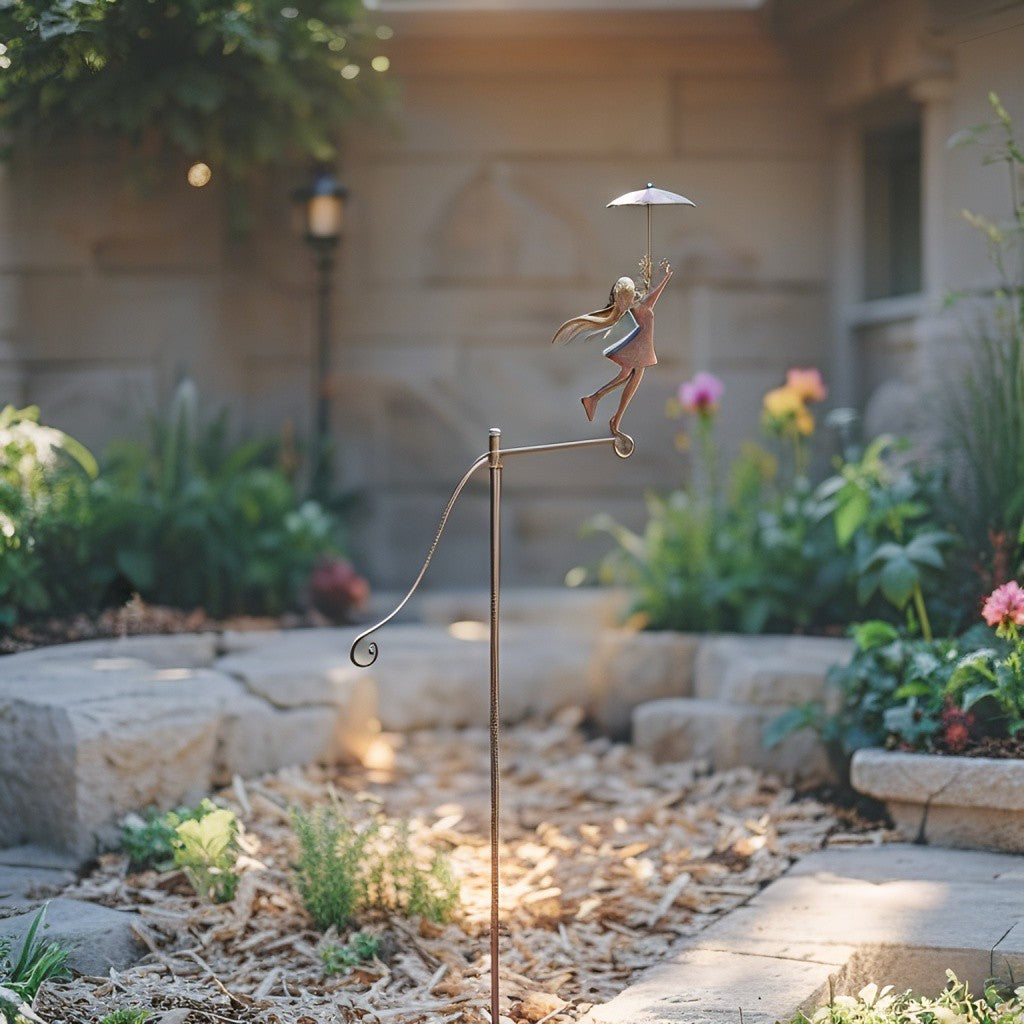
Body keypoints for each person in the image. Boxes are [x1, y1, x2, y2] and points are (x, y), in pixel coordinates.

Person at [551, 262, 673, 435]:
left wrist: (662, 277)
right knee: (631, 380)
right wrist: (666, 277)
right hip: (638, 350)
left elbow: (651, 294)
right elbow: (655, 294)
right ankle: (613, 418)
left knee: (625, 376)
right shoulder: (641, 307)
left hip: (636, 349)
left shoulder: (634, 308)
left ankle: (596, 401)